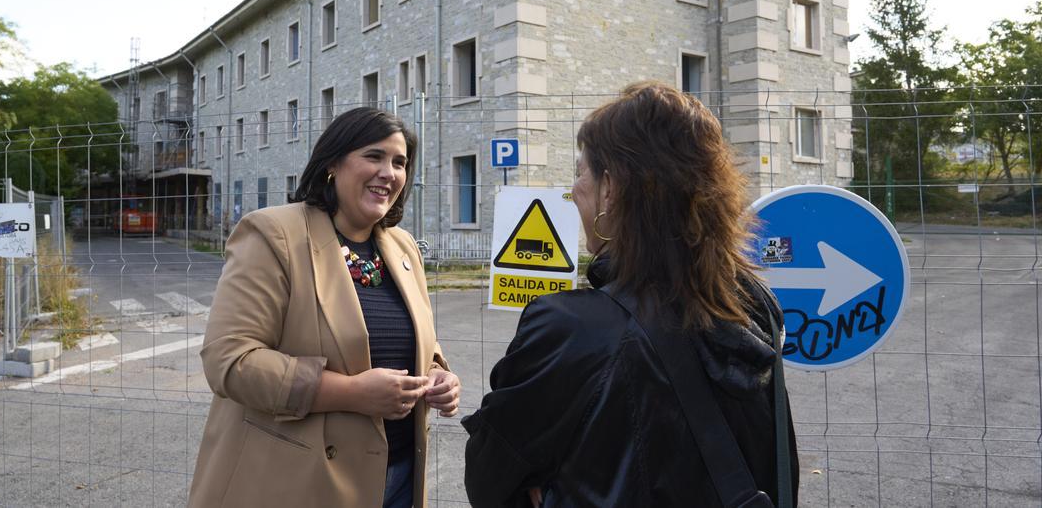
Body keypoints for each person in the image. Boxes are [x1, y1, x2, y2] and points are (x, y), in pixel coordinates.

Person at [462, 81, 797, 507]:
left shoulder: (572, 328)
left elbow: (489, 479)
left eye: (581, 171)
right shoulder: (755, 303)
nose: (573, 189)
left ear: (611, 189)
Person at [189, 107, 461, 508]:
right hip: (297, 483)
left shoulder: (403, 247)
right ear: (333, 163)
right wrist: (352, 393)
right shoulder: (273, 234)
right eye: (374, 156)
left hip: (398, 478)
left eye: (400, 162)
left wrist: (439, 377)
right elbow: (229, 361)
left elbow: (419, 344)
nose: (389, 172)